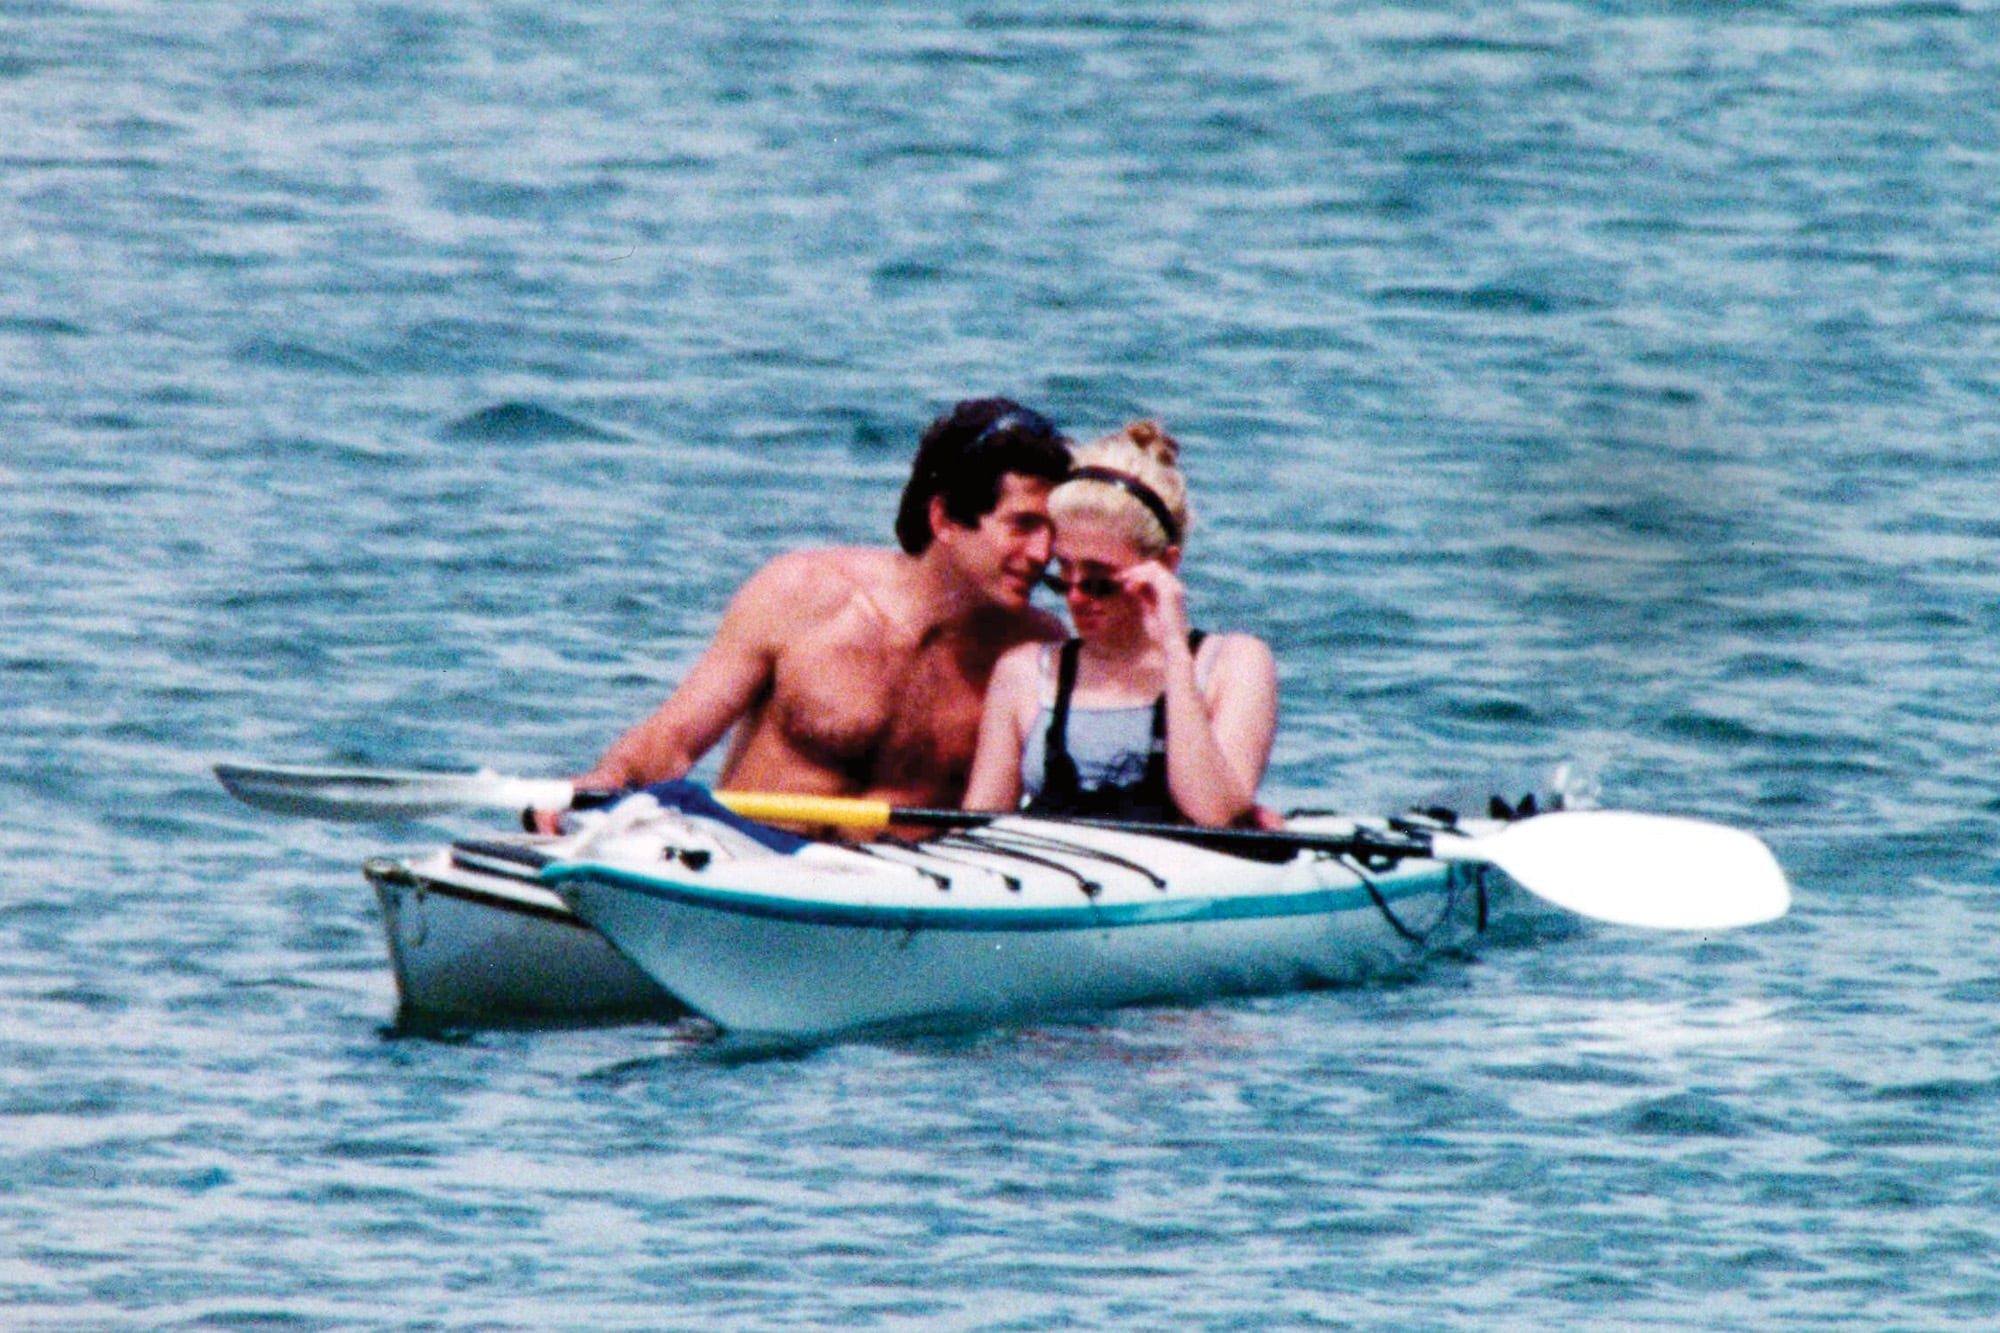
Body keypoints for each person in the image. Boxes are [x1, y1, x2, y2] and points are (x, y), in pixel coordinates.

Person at [538, 399, 1073, 828]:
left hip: (904, 902)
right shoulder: (802, 593)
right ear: (945, 518)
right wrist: (604, 785)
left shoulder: (1037, 653)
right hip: (751, 870)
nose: (1043, 552)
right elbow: (674, 742)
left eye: (1052, 530)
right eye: (1023, 525)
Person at [962, 420, 1278, 828]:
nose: (1076, 598)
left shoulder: (1235, 663)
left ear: (1165, 565)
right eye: (1063, 577)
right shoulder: (1023, 673)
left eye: (1098, 581)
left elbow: (1214, 811)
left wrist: (1174, 655)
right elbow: (978, 827)